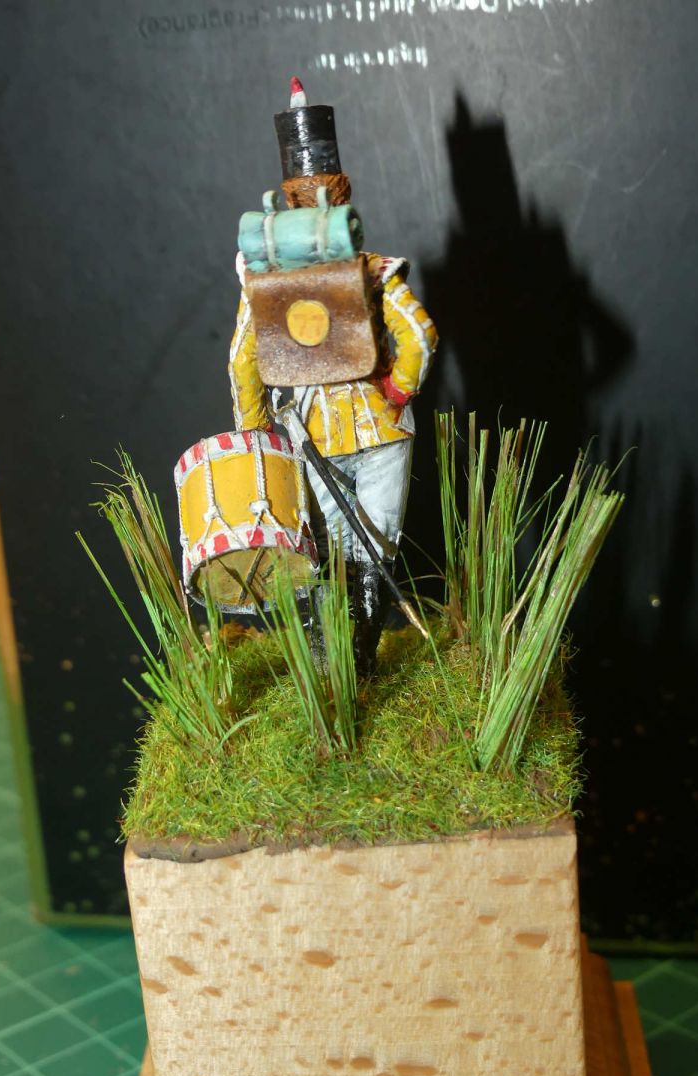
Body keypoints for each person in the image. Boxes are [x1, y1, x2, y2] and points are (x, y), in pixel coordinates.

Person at [229, 79, 437, 677]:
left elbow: (242, 362)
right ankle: (359, 664)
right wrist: (396, 389)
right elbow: (420, 336)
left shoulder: (266, 282)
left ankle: (336, 664)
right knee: (377, 551)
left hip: (311, 433)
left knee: (332, 553)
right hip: (383, 424)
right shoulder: (373, 270)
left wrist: (256, 432)